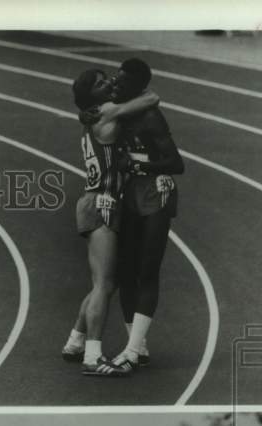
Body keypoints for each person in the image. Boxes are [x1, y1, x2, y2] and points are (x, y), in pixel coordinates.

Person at [61, 69, 160, 377]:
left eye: (107, 79)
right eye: (101, 83)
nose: (109, 84)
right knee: (104, 284)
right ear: (93, 96)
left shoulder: (93, 116)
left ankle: (75, 341)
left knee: (107, 282)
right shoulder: (106, 111)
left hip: (98, 201)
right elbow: (151, 98)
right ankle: (93, 357)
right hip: (101, 201)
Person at [110, 58, 185, 371]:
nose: (115, 83)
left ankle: (130, 350)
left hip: (156, 194)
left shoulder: (151, 118)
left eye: (122, 81)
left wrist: (138, 166)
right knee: (125, 272)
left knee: (147, 270)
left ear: (137, 87)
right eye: (114, 78)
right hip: (129, 196)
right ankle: (137, 345)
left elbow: (177, 164)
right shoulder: (117, 112)